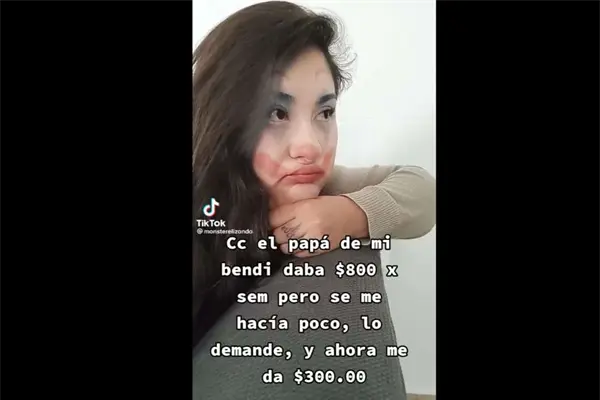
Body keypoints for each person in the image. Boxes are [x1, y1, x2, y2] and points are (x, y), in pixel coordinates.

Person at [193, 2, 436, 399]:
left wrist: (351, 214)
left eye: (325, 112)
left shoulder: (325, 186)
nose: (310, 146)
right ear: (224, 120)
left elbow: (423, 191)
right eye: (276, 113)